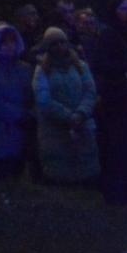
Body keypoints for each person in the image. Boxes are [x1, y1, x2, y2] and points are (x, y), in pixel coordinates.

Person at [31, 27, 100, 184]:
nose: (60, 47)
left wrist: (81, 113)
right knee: (61, 177)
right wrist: (68, 116)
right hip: (55, 132)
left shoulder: (80, 66)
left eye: (63, 42)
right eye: (55, 44)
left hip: (82, 126)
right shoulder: (42, 70)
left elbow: (90, 91)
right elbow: (43, 100)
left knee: (87, 174)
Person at [91, 0, 127, 203]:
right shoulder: (109, 35)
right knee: (115, 145)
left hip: (123, 97)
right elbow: (101, 63)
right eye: (124, 9)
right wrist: (126, 67)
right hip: (114, 97)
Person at [0, 24, 33, 179]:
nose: (10, 46)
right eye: (5, 43)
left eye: (13, 41)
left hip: (24, 131)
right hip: (1, 131)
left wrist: (30, 115)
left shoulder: (26, 69)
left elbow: (31, 95)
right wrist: (19, 116)